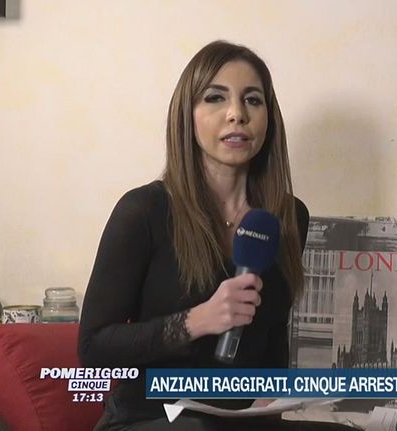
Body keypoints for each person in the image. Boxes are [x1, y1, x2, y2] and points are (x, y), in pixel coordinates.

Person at [79, 41, 357, 431]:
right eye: (215, 98)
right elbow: (93, 348)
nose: (237, 114)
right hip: (151, 417)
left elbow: (272, 335)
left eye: (252, 100)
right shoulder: (143, 210)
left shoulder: (288, 216)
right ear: (188, 116)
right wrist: (195, 321)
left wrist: (272, 398)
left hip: (241, 421)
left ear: (268, 119)